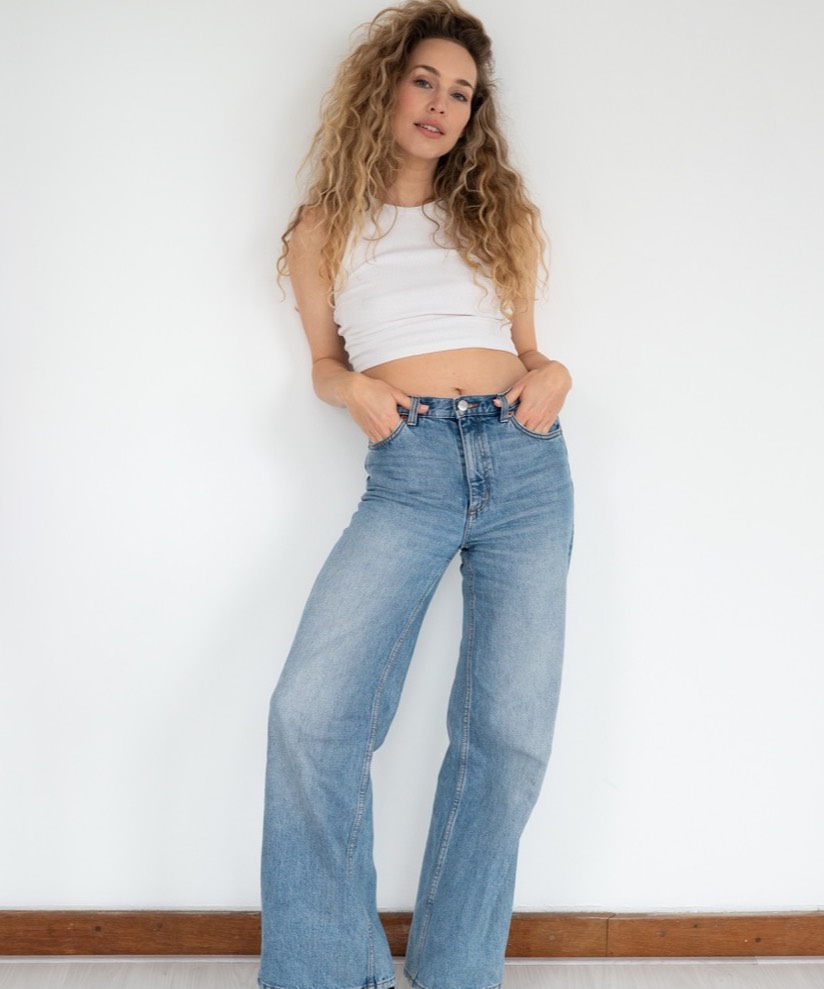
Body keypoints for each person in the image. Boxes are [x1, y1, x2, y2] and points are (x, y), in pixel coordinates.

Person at [259, 2, 574, 989]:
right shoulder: (322, 229)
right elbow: (323, 362)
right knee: (310, 713)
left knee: (506, 739)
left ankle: (455, 973)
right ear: (385, 86)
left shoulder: (497, 218)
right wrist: (351, 389)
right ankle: (325, 972)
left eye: (461, 93)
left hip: (526, 465)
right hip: (411, 470)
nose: (440, 104)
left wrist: (555, 373)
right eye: (424, 80)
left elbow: (530, 351)